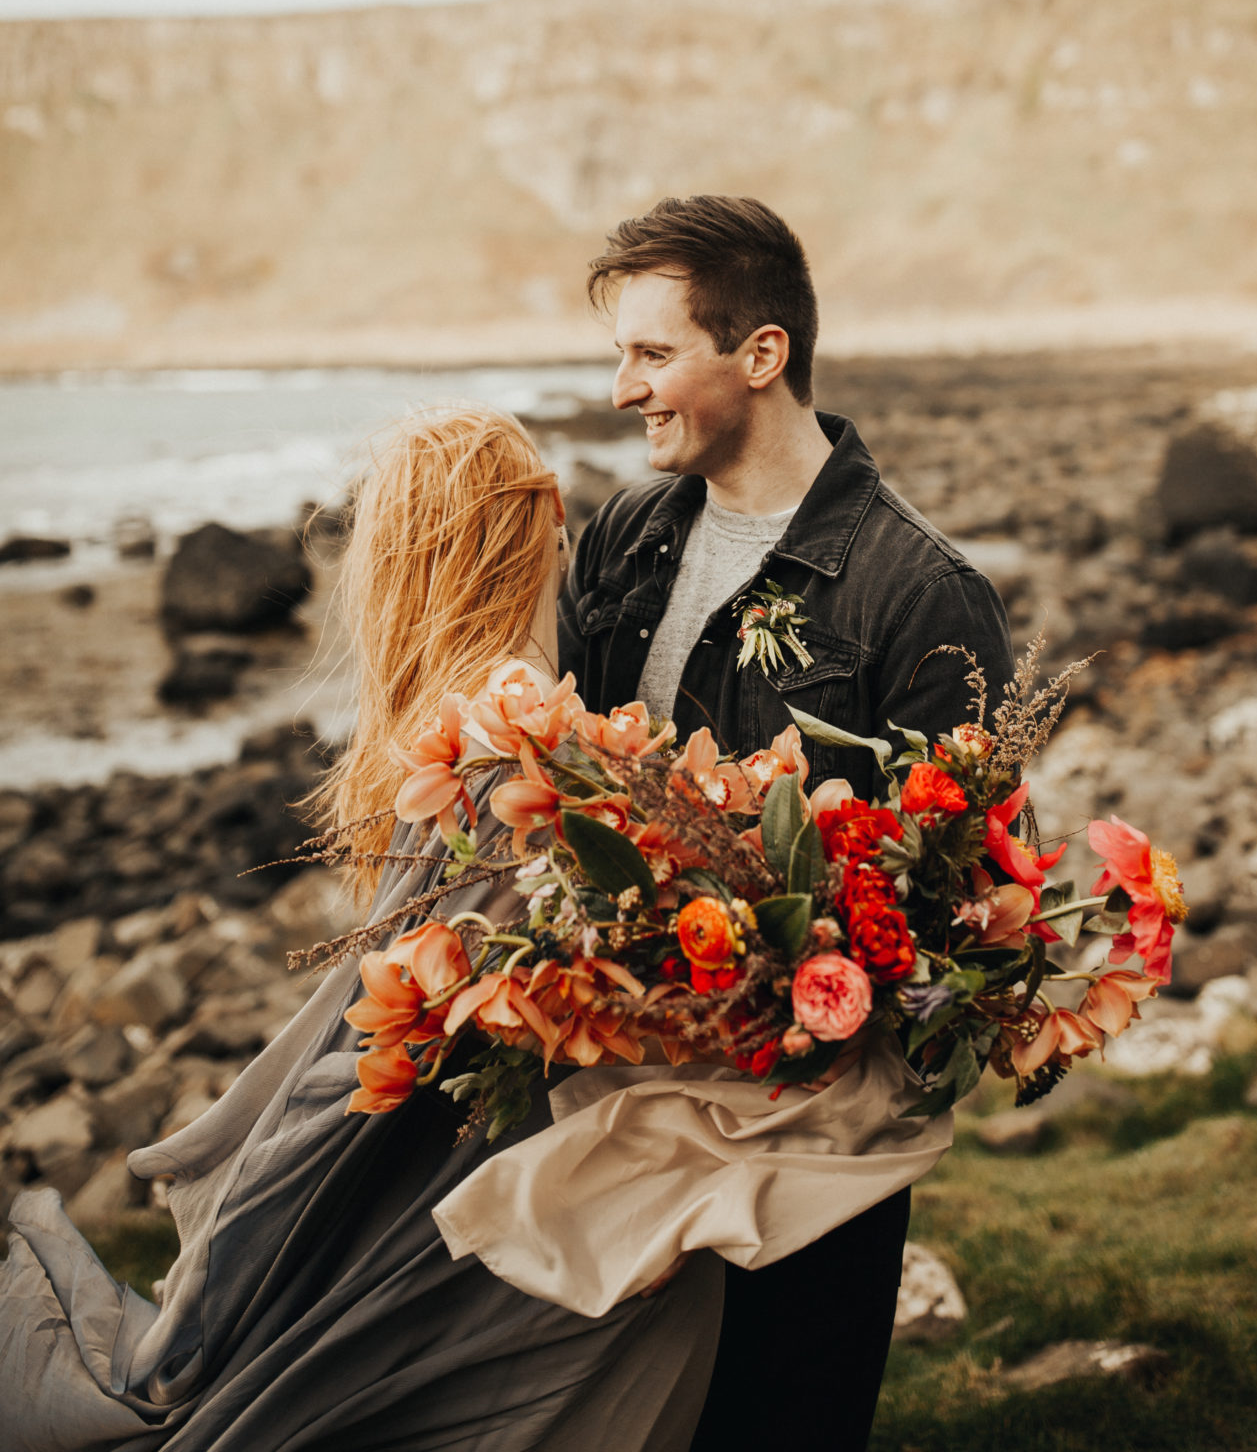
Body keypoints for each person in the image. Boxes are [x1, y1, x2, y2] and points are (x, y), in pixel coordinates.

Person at [0, 407, 724, 1452]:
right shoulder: (514, 745)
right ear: (548, 517)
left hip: (518, 1200)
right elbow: (374, 1040)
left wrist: (229, 1237)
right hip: (536, 1216)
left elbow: (374, 1039)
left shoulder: (477, 738)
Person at [560, 194, 1015, 1452]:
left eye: (652, 354)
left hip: (809, 1130)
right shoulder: (625, 534)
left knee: (778, 1421)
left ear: (760, 355)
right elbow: (566, 785)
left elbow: (951, 920)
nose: (619, 390)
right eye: (621, 354)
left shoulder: (922, 590)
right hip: (619, 1087)